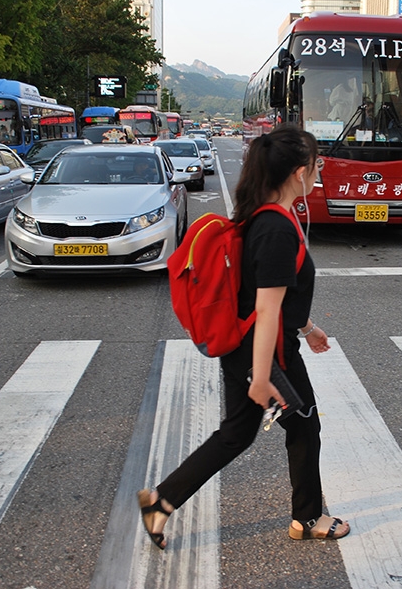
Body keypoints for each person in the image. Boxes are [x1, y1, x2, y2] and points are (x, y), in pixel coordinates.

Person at [138, 125, 350, 549]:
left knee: (237, 434)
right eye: (315, 165)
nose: (317, 172)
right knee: (304, 426)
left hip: (245, 348)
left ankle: (161, 501)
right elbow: (267, 307)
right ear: (297, 172)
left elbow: (271, 297)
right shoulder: (275, 228)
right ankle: (308, 519)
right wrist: (261, 375)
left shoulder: (263, 217)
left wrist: (308, 329)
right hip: (265, 353)